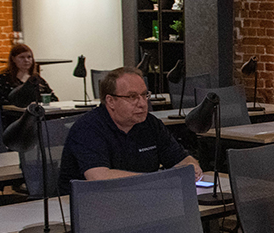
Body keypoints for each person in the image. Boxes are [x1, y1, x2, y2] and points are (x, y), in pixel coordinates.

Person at [58, 66, 201, 194]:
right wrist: (157, 181)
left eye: (144, 95)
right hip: (87, 203)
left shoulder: (150, 124)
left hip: (139, 197)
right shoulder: (88, 128)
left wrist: (190, 166)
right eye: (132, 97)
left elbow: (180, 158)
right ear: (110, 101)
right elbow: (99, 177)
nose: (142, 103)